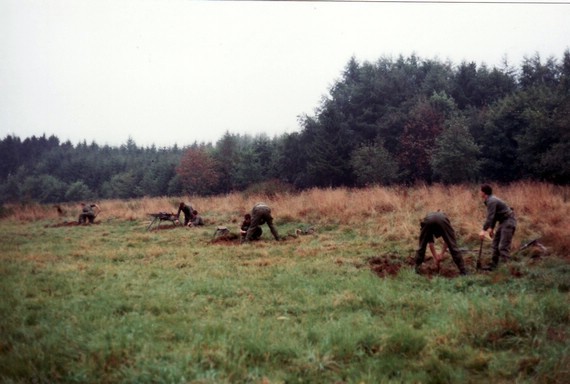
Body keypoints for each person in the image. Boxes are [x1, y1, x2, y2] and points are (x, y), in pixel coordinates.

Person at [415, 211, 467, 275]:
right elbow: (448, 241)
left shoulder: (429, 219)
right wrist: (439, 255)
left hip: (427, 222)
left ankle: (416, 269)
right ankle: (463, 271)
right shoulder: (444, 220)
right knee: (453, 246)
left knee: (422, 246)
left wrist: (436, 256)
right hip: (441, 221)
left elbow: (430, 243)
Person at [479, 184, 516, 270]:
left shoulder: (491, 201)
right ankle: (493, 266)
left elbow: (490, 217)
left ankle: (508, 270)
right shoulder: (489, 200)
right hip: (503, 222)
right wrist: (491, 228)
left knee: (503, 247)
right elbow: (495, 215)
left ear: (484, 193)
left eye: (480, 191)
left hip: (508, 221)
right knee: (495, 244)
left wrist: (483, 230)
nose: (479, 193)